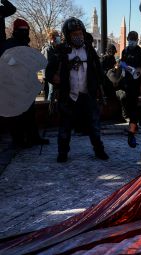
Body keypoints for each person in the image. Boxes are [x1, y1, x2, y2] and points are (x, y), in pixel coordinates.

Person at [45, 17, 108, 163]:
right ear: (68, 35)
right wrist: (53, 77)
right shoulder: (60, 52)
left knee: (94, 126)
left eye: (80, 33)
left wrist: (99, 86)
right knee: (65, 127)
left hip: (88, 94)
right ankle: (62, 153)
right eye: (74, 34)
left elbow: (99, 70)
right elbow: (48, 71)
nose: (78, 37)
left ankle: (99, 150)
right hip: (68, 96)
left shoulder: (90, 51)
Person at [0, 18, 49, 148]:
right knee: (15, 115)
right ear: (15, 31)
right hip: (12, 85)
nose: (25, 33)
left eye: (26, 30)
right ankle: (18, 140)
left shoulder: (25, 46)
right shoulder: (7, 45)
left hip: (25, 85)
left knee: (29, 112)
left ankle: (33, 137)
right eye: (22, 30)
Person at [120, 31, 141, 148]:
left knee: (134, 107)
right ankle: (133, 124)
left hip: (137, 84)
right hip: (127, 82)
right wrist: (123, 65)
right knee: (128, 105)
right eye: (130, 38)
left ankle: (132, 131)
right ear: (127, 38)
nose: (132, 40)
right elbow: (122, 62)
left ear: (137, 40)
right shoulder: (125, 51)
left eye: (134, 38)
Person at [41, 29, 61, 102]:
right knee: (51, 94)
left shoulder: (56, 49)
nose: (59, 38)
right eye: (57, 36)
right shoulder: (48, 50)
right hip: (50, 77)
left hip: (56, 75)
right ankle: (49, 109)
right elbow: (46, 66)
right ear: (52, 39)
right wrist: (52, 76)